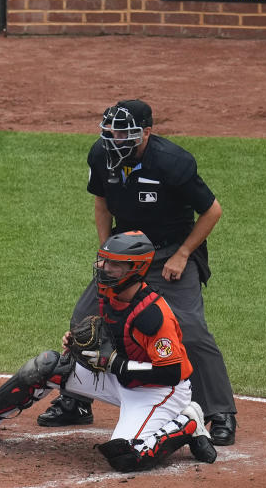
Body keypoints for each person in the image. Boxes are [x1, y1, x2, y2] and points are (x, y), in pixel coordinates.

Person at [38, 99, 238, 446]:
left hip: (171, 252)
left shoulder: (173, 162)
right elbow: (101, 204)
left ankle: (218, 412)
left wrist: (183, 255)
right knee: (85, 319)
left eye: (124, 133)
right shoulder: (100, 155)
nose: (115, 139)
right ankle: (76, 401)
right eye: (110, 132)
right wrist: (107, 255)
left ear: (146, 132)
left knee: (189, 329)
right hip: (127, 255)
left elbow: (212, 211)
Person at [0, 231, 217, 472]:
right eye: (104, 260)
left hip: (160, 391)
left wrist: (116, 363)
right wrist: (78, 343)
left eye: (113, 265)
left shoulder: (153, 316)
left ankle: (187, 423)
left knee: (125, 457)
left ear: (135, 268)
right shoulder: (108, 292)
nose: (104, 267)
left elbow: (171, 372)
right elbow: (111, 332)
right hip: (121, 379)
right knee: (48, 365)